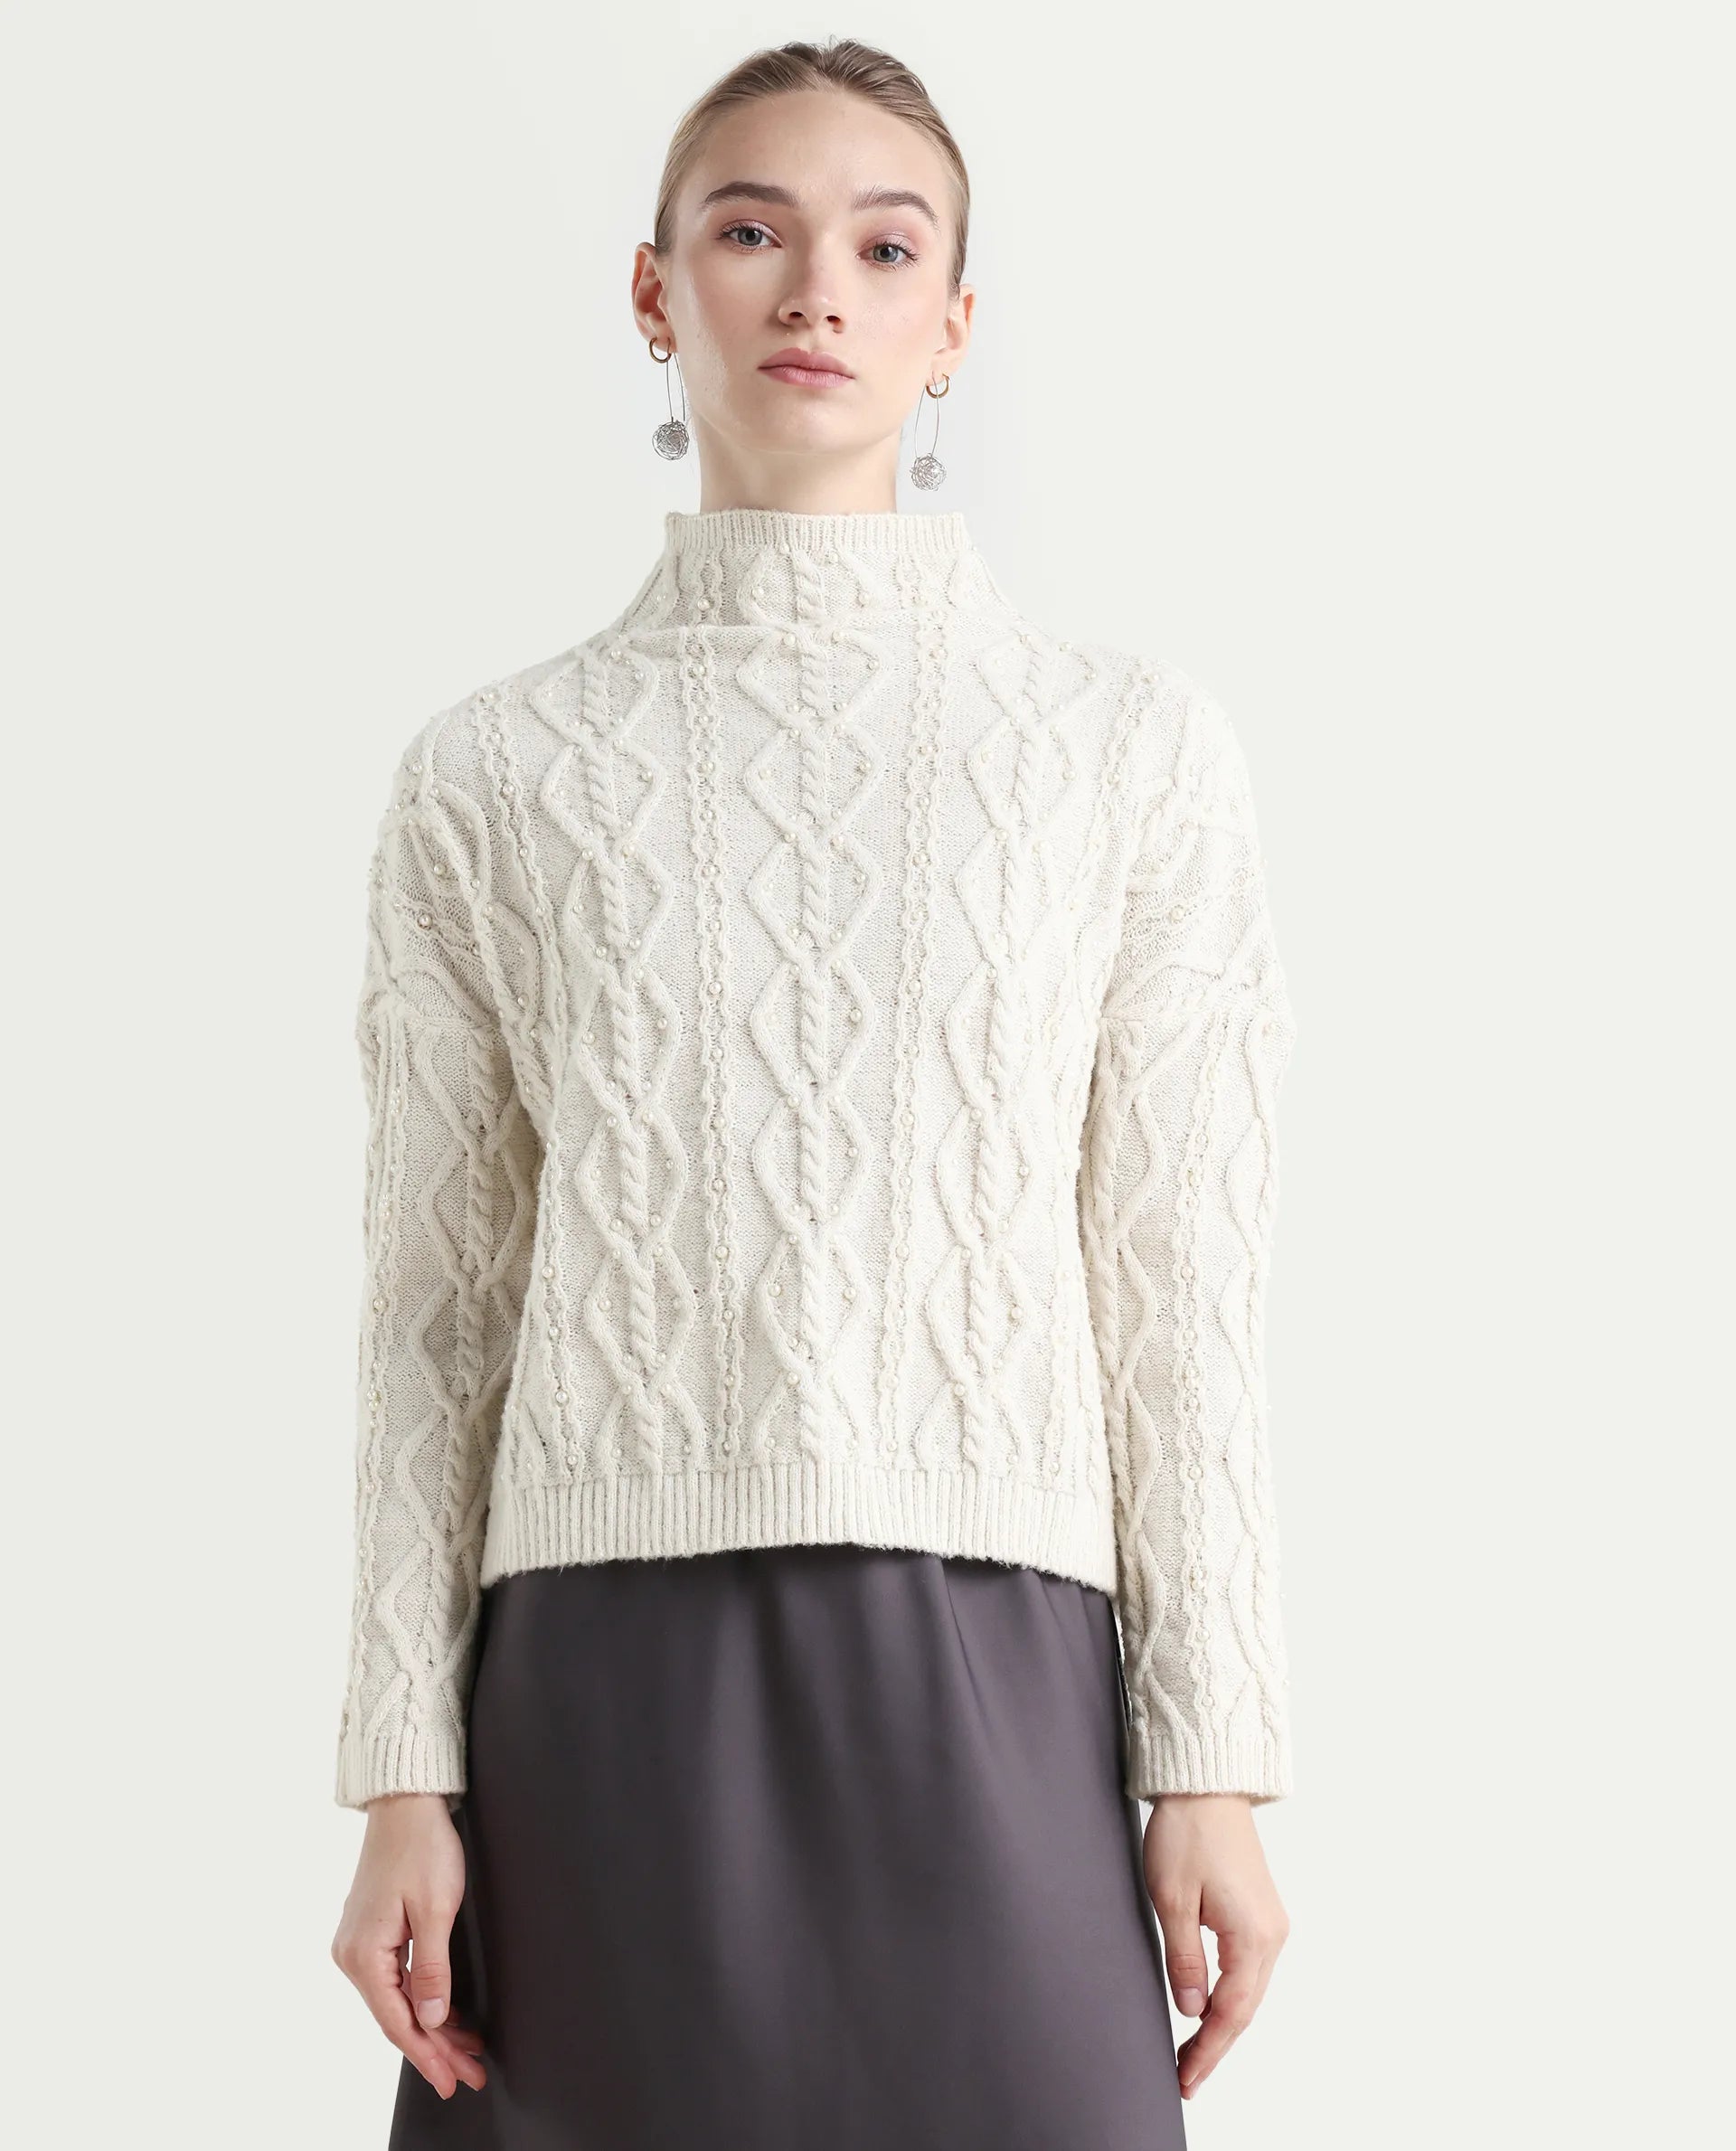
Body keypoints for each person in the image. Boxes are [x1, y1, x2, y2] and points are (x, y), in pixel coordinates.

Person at [329, 36, 1298, 2151]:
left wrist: (1212, 1755)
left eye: (885, 246)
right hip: (595, 1683)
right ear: (655, 290)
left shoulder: (1126, 750)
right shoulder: (492, 774)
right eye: (750, 230)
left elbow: (1179, 1282)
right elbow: (432, 1320)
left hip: (1008, 1664)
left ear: (956, 324)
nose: (814, 291)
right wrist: (401, 1766)